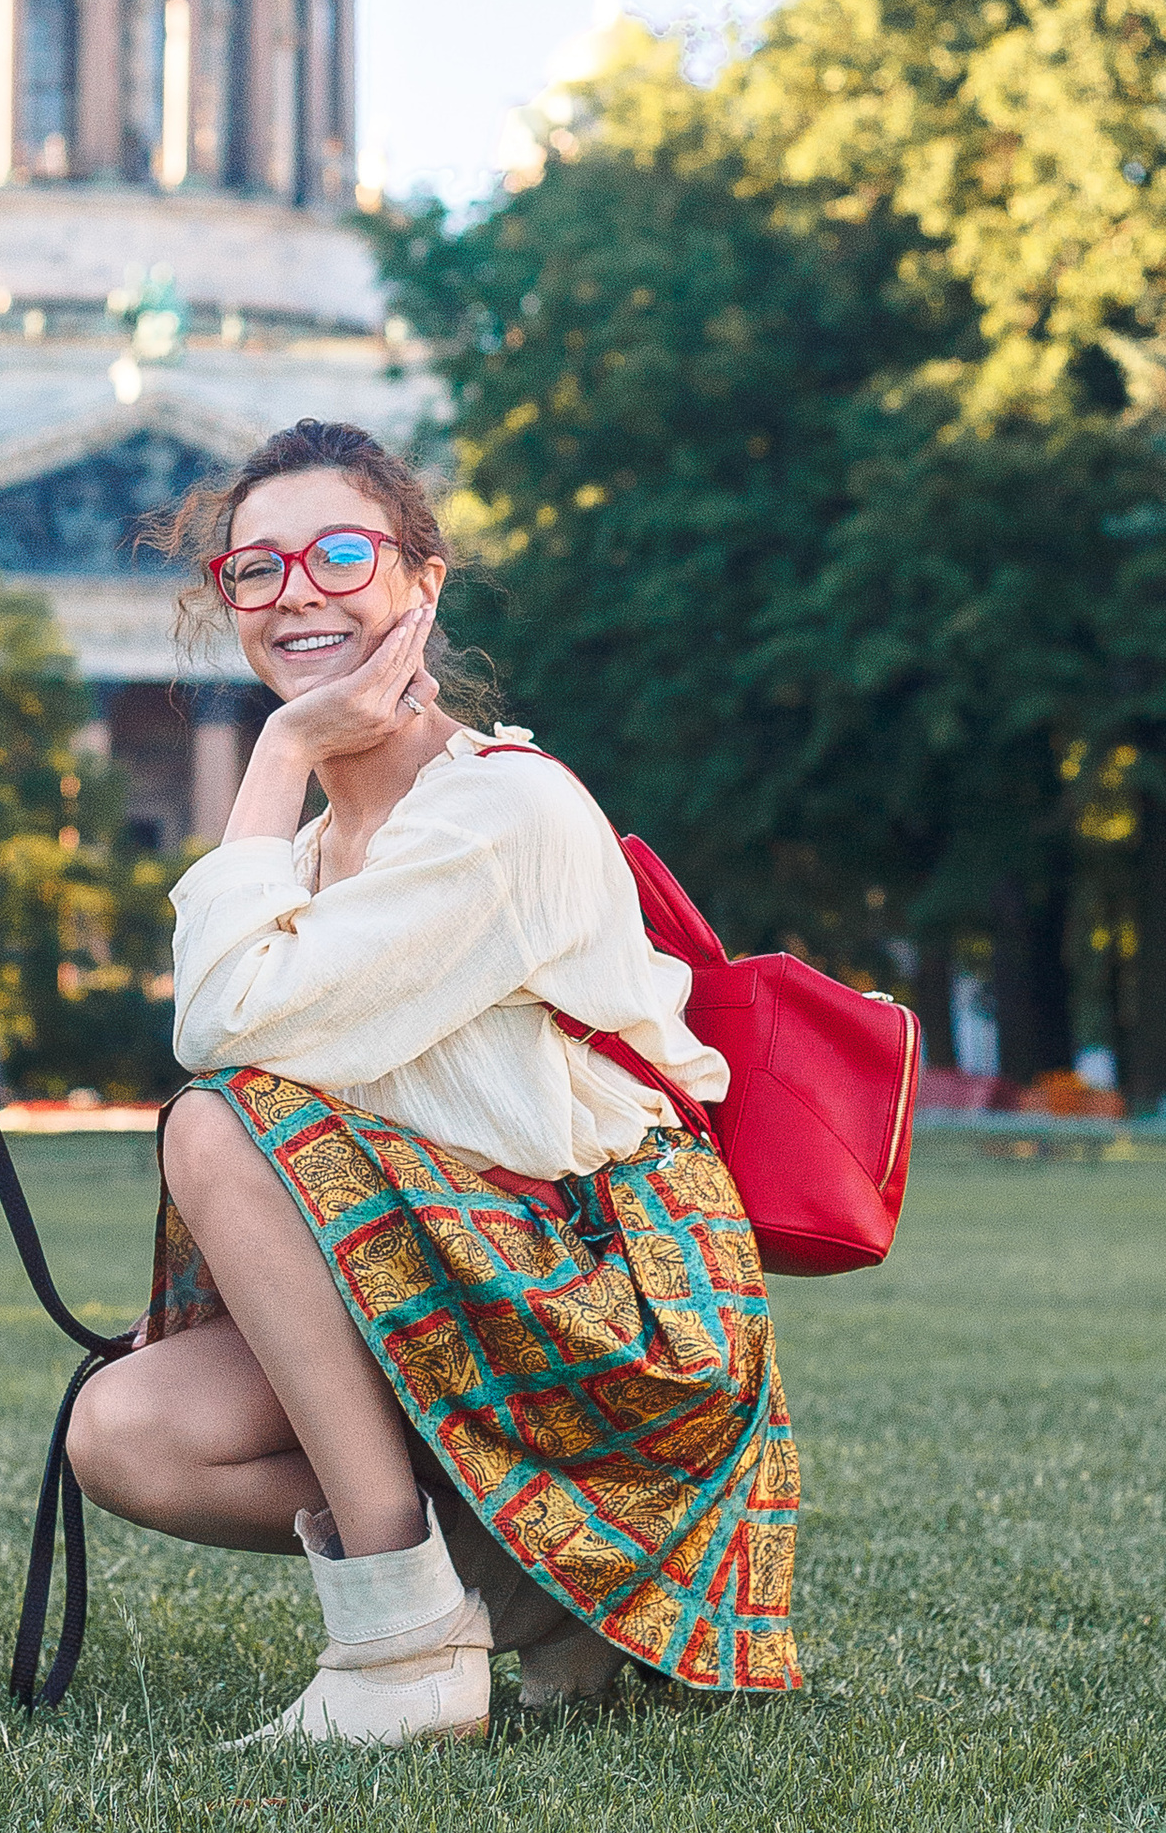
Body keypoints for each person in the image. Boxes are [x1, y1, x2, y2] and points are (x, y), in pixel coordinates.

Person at [66, 418, 801, 1743]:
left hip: (618, 1318)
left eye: (341, 555)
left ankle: (405, 1645)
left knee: (216, 1127)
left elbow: (219, 1031)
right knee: (125, 1431)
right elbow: (256, 1028)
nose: (297, 592)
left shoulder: (500, 812)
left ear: (423, 580)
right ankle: (549, 1596)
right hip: (467, 1292)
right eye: (256, 568)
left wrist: (277, 749)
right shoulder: (302, 860)